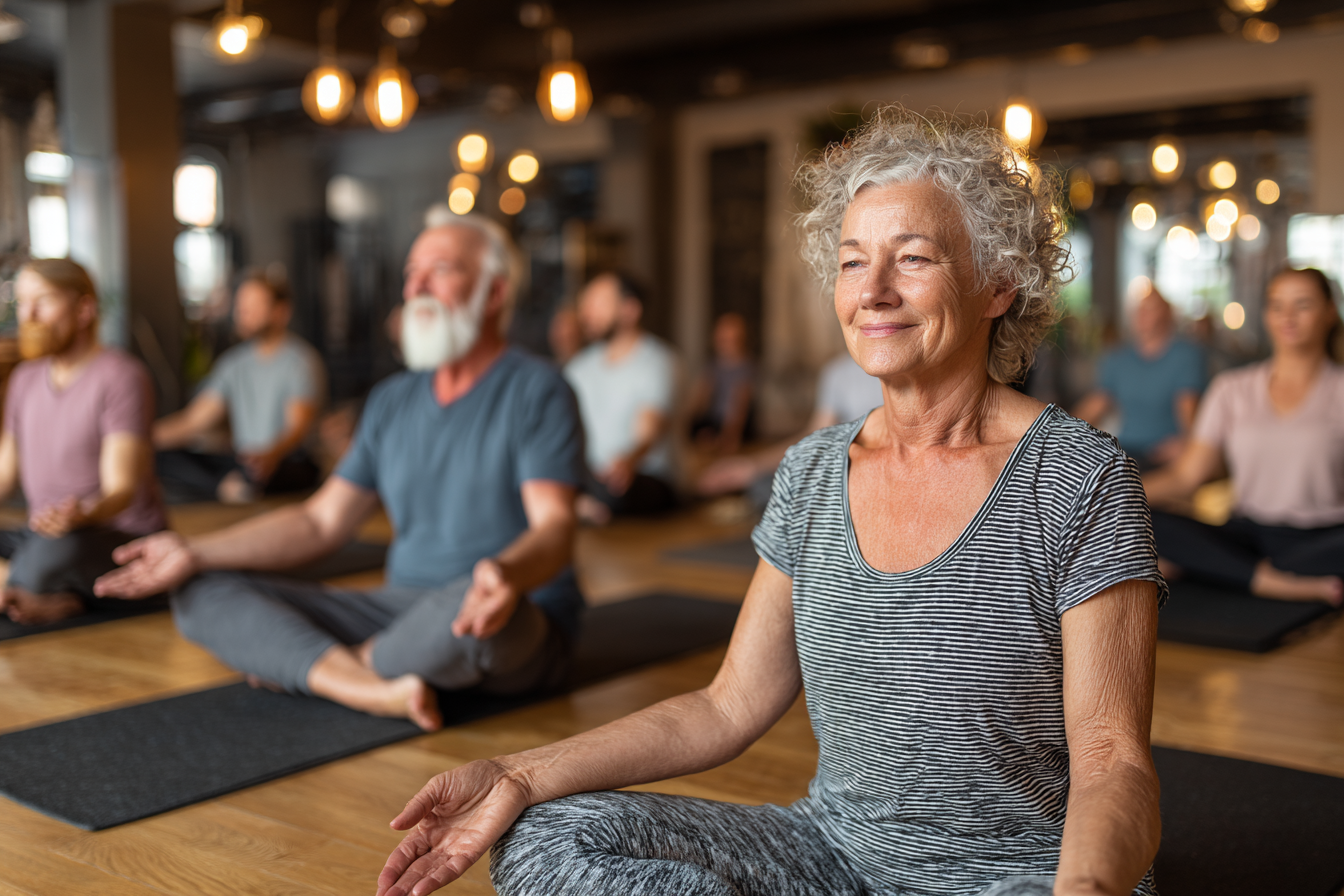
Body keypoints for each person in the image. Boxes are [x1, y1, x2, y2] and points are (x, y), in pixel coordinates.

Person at [375, 108, 1164, 896]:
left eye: (913, 258)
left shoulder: (1078, 478)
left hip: (1016, 877)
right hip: (831, 858)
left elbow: (1113, 762)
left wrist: (1086, 888)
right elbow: (727, 707)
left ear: (998, 283)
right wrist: (517, 773)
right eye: (853, 264)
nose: (874, 293)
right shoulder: (813, 471)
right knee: (549, 834)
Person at [95, 218, 586, 731]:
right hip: (396, 609)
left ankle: (326, 666)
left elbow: (555, 528)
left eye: (440, 271)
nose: (416, 287)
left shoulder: (539, 389)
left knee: (478, 622)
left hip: (504, 611)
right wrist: (193, 552)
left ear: (494, 293)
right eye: (411, 272)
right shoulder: (391, 400)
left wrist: (505, 573)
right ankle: (369, 685)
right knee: (199, 590)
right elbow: (320, 523)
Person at [1144, 267, 1344, 606]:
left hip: (1324, 538)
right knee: (1152, 522)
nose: (1288, 317)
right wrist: (1117, 496)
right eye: (1277, 305)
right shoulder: (1231, 389)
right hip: (1247, 535)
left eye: (1303, 305)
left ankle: (1226, 572)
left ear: (1329, 313)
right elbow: (1186, 476)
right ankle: (1272, 581)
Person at [0, 259, 165, 624]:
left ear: (84, 309)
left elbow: (120, 490)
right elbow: (4, 474)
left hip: (112, 535)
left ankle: (28, 587)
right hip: (41, 534)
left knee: (53, 554)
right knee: (39, 552)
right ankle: (31, 592)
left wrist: (81, 513)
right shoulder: (24, 379)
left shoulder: (121, 376)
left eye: (42, 301)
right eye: (22, 303)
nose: (29, 315)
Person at [153, 272, 325, 504]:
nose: (243, 314)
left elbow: (297, 429)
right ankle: (227, 488)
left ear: (281, 311)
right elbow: (194, 420)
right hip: (244, 461)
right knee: (160, 458)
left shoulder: (300, 361)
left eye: (253, 306)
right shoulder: (233, 363)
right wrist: (139, 438)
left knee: (278, 469)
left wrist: (270, 455)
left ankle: (235, 486)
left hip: (286, 460)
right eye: (241, 306)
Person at [564, 271, 678, 522]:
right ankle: (582, 504)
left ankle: (578, 504)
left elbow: (650, 431)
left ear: (630, 309)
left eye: (598, 303)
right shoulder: (578, 368)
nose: (586, 313)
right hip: (592, 475)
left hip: (642, 477)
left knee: (615, 491)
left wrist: (628, 460)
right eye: (585, 303)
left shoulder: (657, 361)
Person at [695, 350, 882, 499]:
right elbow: (817, 436)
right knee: (764, 488)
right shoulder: (838, 372)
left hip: (881, 480)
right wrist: (752, 466)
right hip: (846, 476)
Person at [1074, 285, 1205, 468]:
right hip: (1126, 450)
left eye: (1150, 308)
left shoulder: (1184, 356)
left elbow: (1188, 412)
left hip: (1162, 454)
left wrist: (1187, 444)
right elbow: (1097, 403)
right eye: (1138, 307)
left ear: (1166, 314)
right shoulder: (1118, 358)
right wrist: (1063, 432)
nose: (1141, 313)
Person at [687, 312, 756, 454]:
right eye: (722, 340)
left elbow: (740, 406)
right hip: (714, 421)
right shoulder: (712, 367)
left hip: (736, 425)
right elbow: (699, 401)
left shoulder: (745, 368)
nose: (725, 345)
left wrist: (729, 436)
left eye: (729, 340)